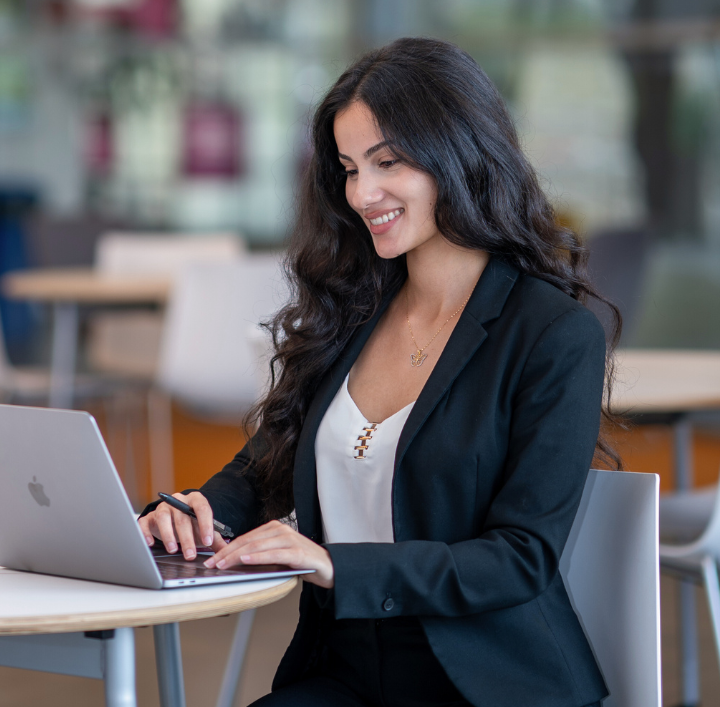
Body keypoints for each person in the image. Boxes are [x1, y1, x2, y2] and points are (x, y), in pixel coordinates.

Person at [138, 37, 621, 707]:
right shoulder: (352, 309)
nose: (362, 193)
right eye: (346, 167)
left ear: (458, 153)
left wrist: (337, 562)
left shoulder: (550, 334)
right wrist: (192, 514)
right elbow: (265, 467)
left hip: (484, 683)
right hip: (345, 670)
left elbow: (520, 555)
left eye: (387, 161)